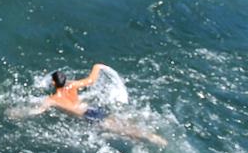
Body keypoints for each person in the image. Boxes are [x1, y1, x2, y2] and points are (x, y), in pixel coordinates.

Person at [15, 63, 167, 147]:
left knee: (121, 129)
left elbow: (37, 111)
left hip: (88, 116)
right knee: (120, 125)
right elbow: (91, 80)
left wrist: (18, 114)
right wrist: (97, 66)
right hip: (92, 109)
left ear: (54, 83)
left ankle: (151, 137)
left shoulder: (53, 99)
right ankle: (144, 137)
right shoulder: (72, 85)